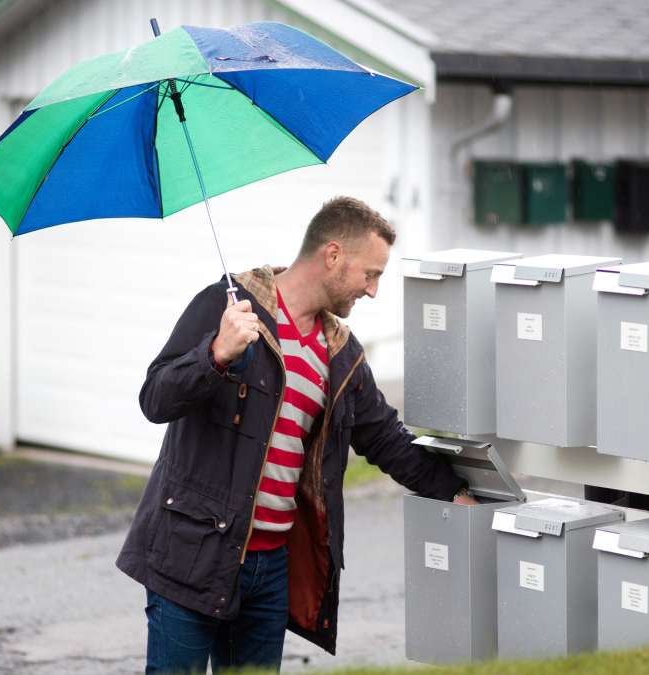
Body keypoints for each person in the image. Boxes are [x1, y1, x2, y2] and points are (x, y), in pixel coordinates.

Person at [116, 196, 477, 673]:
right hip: (192, 553)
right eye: (371, 274)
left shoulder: (340, 354)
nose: (373, 291)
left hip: (270, 568)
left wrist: (454, 492)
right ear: (332, 256)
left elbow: (385, 439)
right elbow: (155, 399)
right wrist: (216, 354)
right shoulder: (226, 307)